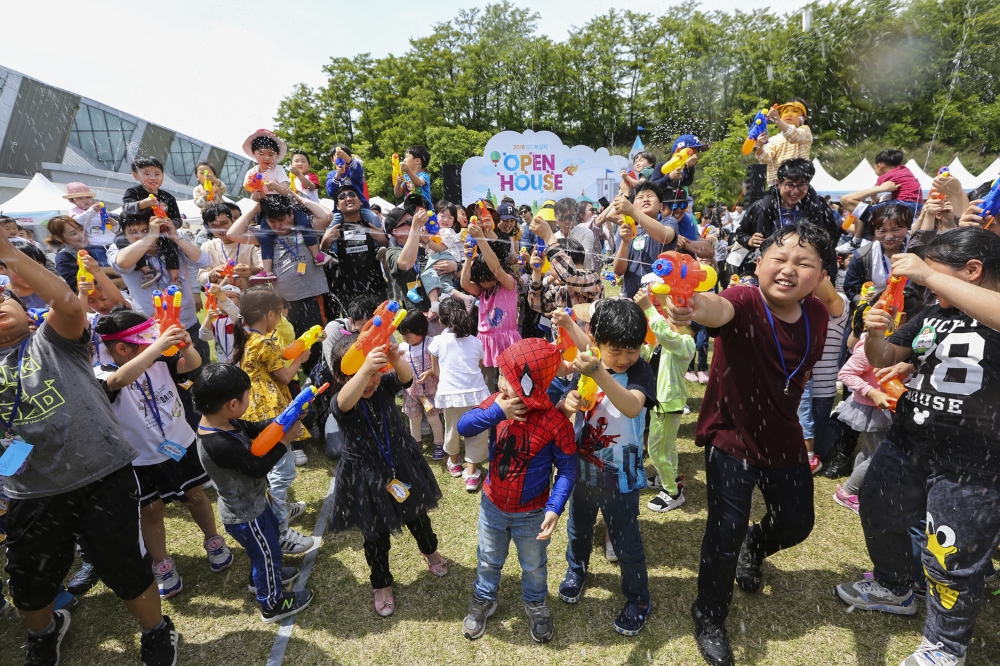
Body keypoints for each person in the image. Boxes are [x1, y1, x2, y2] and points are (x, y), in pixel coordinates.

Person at [0, 230, 179, 665]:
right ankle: (44, 633)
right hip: (31, 490)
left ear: (27, 313)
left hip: (103, 475)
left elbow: (65, 301)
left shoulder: (53, 340)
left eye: (3, 302)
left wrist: (7, 254)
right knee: (28, 578)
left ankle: (156, 631)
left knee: (125, 567)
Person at [665, 224, 832, 666]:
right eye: (780, 258)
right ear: (758, 263)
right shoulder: (743, 299)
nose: (789, 270)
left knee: (797, 522)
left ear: (820, 276)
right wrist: (690, 306)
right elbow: (714, 308)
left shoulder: (817, 315)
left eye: (805, 264)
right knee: (724, 532)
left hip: (783, 436)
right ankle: (709, 616)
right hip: (732, 436)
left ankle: (755, 547)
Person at [834, 228, 1000, 666]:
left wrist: (929, 274)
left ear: (973, 271)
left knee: (949, 554)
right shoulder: (933, 313)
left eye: (934, 274)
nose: (927, 284)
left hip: (973, 462)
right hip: (908, 441)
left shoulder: (988, 310)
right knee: (878, 508)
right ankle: (894, 586)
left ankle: (945, 647)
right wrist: (873, 334)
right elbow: (885, 357)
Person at [94, 308, 233, 598]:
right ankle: (162, 564)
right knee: (151, 510)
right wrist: (157, 346)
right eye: (146, 341)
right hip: (139, 458)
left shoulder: (158, 358)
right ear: (121, 348)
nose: (154, 344)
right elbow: (117, 382)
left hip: (179, 445)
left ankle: (213, 539)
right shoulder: (101, 371)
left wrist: (187, 346)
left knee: (195, 496)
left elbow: (192, 365)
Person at [457, 338, 577, 643]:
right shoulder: (497, 403)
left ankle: (536, 604)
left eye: (506, 378)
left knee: (534, 565)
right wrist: (497, 413)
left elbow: (567, 469)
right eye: (500, 375)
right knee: (487, 558)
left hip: (533, 513)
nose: (499, 382)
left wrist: (554, 506)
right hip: (492, 505)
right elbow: (464, 426)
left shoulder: (555, 423)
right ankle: (484, 597)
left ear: (530, 385)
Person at [553, 299, 656, 637]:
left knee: (626, 541)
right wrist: (568, 404)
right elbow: (568, 404)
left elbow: (630, 407)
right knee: (578, 528)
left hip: (621, 475)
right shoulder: (593, 363)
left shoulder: (639, 371)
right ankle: (577, 570)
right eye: (616, 351)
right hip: (581, 469)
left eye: (633, 349)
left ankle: (639, 599)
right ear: (598, 344)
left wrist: (600, 371)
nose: (625, 358)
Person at [326, 331, 448, 617]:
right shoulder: (342, 400)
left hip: (400, 463)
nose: (370, 381)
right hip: (366, 474)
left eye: (374, 373)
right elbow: (344, 403)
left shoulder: (382, 385)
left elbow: (406, 378)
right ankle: (381, 583)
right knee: (375, 534)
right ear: (340, 376)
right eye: (359, 374)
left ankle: (430, 551)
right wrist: (366, 367)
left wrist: (393, 357)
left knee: (418, 515)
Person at [194, 364, 314, 623]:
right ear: (233, 404)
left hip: (256, 506)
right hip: (246, 516)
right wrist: (283, 442)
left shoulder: (225, 420)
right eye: (247, 395)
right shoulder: (216, 443)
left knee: (267, 549)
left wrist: (285, 420)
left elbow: (256, 427)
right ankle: (272, 604)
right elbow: (258, 469)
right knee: (265, 554)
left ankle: (261, 578)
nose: (250, 398)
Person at [231, 287, 315, 554]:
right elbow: (285, 377)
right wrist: (301, 358)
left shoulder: (247, 336)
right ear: (269, 314)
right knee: (283, 470)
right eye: (279, 314)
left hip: (253, 410)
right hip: (269, 412)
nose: (280, 319)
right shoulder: (263, 343)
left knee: (275, 467)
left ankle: (282, 508)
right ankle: (279, 528)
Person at [227, 192, 334, 376]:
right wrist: (256, 207)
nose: (278, 226)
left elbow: (326, 216)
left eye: (282, 220)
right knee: (290, 348)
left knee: (316, 346)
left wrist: (297, 197)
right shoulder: (265, 235)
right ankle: (301, 383)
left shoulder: (306, 226)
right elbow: (233, 233)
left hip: (311, 298)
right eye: (272, 221)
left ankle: (321, 386)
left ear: (291, 214)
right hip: (282, 307)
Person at [108, 215, 213, 374]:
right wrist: (149, 237)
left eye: (145, 229)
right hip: (151, 332)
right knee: (166, 380)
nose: (140, 235)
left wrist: (174, 237)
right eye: (132, 231)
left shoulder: (174, 240)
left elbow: (204, 262)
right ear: (123, 233)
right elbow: (122, 264)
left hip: (186, 326)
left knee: (202, 375)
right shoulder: (118, 248)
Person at [634, 288, 695, 511]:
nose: (671, 320)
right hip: (659, 401)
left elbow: (667, 336)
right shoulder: (664, 343)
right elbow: (646, 354)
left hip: (668, 403)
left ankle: (672, 492)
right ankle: (668, 479)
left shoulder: (685, 343)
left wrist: (650, 308)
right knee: (667, 447)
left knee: (657, 450)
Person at [735, 158, 842, 279]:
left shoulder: (819, 206)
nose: (795, 191)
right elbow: (740, 233)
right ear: (779, 183)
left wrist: (822, 248)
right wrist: (749, 240)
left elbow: (834, 233)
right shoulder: (760, 207)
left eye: (802, 185)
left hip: (806, 269)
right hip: (771, 268)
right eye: (790, 185)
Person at [429, 298, 491, 491]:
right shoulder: (476, 341)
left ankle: (454, 463)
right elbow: (478, 366)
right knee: (477, 432)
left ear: (441, 320)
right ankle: (472, 474)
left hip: (451, 394)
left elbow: (436, 371)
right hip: (476, 393)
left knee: (452, 429)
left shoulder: (437, 341)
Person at [461, 220, 522, 391]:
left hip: (506, 339)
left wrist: (481, 239)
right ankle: (490, 410)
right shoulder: (482, 290)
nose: (486, 284)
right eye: (482, 281)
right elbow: (465, 283)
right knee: (486, 383)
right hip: (486, 340)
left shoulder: (508, 284)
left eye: (489, 280)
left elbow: (495, 269)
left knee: (510, 383)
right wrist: (468, 259)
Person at [797, 276, 849, 473]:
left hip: (821, 389)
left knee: (818, 449)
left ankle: (838, 421)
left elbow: (829, 299)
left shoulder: (840, 302)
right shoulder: (788, 306)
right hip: (793, 385)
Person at [322, 181, 388, 312]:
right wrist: (324, 241)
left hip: (375, 287)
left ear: (361, 201)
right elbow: (321, 257)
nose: (348, 198)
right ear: (338, 206)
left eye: (352, 194)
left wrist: (383, 240)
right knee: (354, 330)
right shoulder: (334, 229)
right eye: (342, 197)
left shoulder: (371, 225)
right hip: (346, 290)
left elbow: (386, 247)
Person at [121, 156, 182, 288]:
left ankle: (175, 278)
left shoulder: (167, 197)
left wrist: (171, 224)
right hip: (140, 232)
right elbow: (126, 208)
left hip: (161, 231)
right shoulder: (133, 192)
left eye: (157, 174)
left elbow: (178, 219)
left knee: (171, 244)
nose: (153, 177)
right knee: (126, 242)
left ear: (163, 176)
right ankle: (147, 271)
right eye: (147, 174)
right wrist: (144, 203)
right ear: (135, 176)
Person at [610, 182, 678, 297]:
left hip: (662, 299)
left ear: (661, 206)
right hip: (633, 299)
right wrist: (625, 242)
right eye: (640, 197)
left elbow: (665, 237)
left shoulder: (668, 222)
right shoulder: (626, 229)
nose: (645, 199)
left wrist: (632, 211)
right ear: (633, 204)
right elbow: (619, 270)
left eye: (650, 196)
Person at [397, 311, 445, 460]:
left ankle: (439, 443)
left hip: (429, 390)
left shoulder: (431, 343)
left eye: (408, 334)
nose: (405, 338)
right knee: (414, 418)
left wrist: (430, 372)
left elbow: (441, 363)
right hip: (411, 391)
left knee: (433, 418)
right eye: (403, 334)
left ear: (420, 330)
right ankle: (416, 442)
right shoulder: (403, 347)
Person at [843, 203, 913, 303]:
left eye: (896, 229)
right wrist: (863, 299)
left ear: (908, 228)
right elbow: (851, 289)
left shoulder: (918, 250)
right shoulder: (863, 256)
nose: (889, 236)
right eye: (882, 231)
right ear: (873, 232)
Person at [198, 203, 260, 291]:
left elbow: (263, 268)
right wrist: (212, 274)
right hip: (223, 299)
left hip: (252, 296)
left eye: (224, 223)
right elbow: (201, 278)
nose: (221, 229)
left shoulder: (250, 241)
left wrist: (251, 270)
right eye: (214, 226)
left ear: (233, 221)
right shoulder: (208, 246)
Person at [45, 215, 114, 293]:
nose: (82, 235)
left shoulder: (99, 247)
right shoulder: (63, 258)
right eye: (73, 233)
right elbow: (84, 288)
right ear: (59, 238)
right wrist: (120, 279)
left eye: (81, 229)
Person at [754, 99, 813, 187]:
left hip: (800, 183)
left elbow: (793, 136)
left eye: (795, 111)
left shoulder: (805, 131)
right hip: (777, 185)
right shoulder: (773, 139)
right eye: (785, 111)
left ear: (803, 118)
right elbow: (766, 159)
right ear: (780, 116)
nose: (789, 114)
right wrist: (759, 147)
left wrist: (777, 120)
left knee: (816, 201)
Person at [64, 181, 119, 248]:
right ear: (72, 201)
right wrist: (92, 211)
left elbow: (109, 230)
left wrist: (115, 225)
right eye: (80, 198)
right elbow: (80, 221)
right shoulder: (75, 212)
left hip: (112, 242)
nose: (85, 200)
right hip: (96, 246)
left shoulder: (99, 211)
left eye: (88, 197)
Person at [199, 284, 241, 363]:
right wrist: (208, 319)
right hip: (222, 363)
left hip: (240, 363)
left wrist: (220, 295)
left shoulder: (240, 315)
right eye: (221, 298)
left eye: (231, 297)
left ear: (240, 301)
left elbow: (232, 309)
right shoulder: (215, 318)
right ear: (216, 301)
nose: (225, 300)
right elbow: (204, 337)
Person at [552, 197, 595, 270]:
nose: (567, 221)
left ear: (575, 216)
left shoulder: (586, 233)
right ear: (555, 217)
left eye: (571, 217)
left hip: (582, 280)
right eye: (562, 218)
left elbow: (583, 259)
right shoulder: (554, 237)